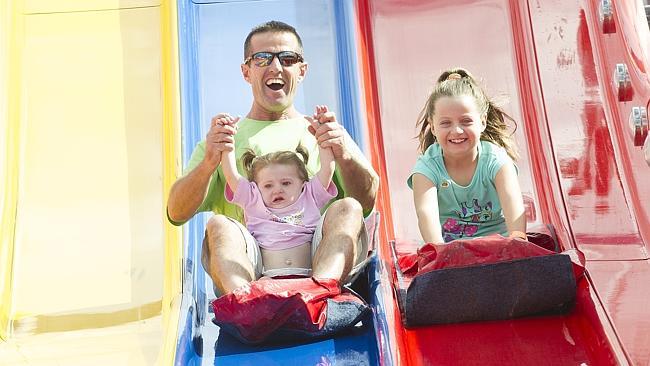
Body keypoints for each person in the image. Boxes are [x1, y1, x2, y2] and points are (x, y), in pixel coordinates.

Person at [166, 21, 379, 295]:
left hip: (316, 255)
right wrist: (209, 164)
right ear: (246, 71)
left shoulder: (324, 133)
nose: (276, 67)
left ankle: (322, 290)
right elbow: (176, 212)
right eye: (262, 58)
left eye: (287, 58)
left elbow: (366, 204)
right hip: (253, 267)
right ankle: (244, 299)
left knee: (348, 207)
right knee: (217, 225)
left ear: (301, 71)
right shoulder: (226, 139)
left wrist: (345, 156)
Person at [408, 67, 526, 244]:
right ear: (433, 127)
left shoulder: (496, 162)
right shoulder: (427, 169)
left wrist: (518, 243)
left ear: (483, 122)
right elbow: (426, 215)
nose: (456, 130)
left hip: (496, 246)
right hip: (451, 250)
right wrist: (440, 254)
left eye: (466, 121)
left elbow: (514, 207)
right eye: (446, 123)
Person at [217, 106, 337, 277]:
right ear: (256, 188)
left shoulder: (309, 194)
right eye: (268, 185)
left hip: (311, 271)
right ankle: (242, 293)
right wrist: (227, 144)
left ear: (303, 183)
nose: (277, 189)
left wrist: (323, 139)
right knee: (219, 223)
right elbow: (231, 174)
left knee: (346, 207)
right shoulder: (253, 199)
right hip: (265, 275)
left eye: (286, 183)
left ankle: (326, 282)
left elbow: (327, 169)